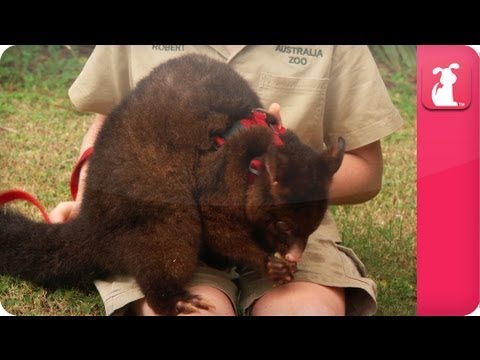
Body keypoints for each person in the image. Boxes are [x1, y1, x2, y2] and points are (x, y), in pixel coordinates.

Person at [50, 45, 403, 316]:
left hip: (282, 214)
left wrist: (286, 194)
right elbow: (107, 125)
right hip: (168, 219)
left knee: (305, 309)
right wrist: (86, 200)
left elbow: (368, 169)